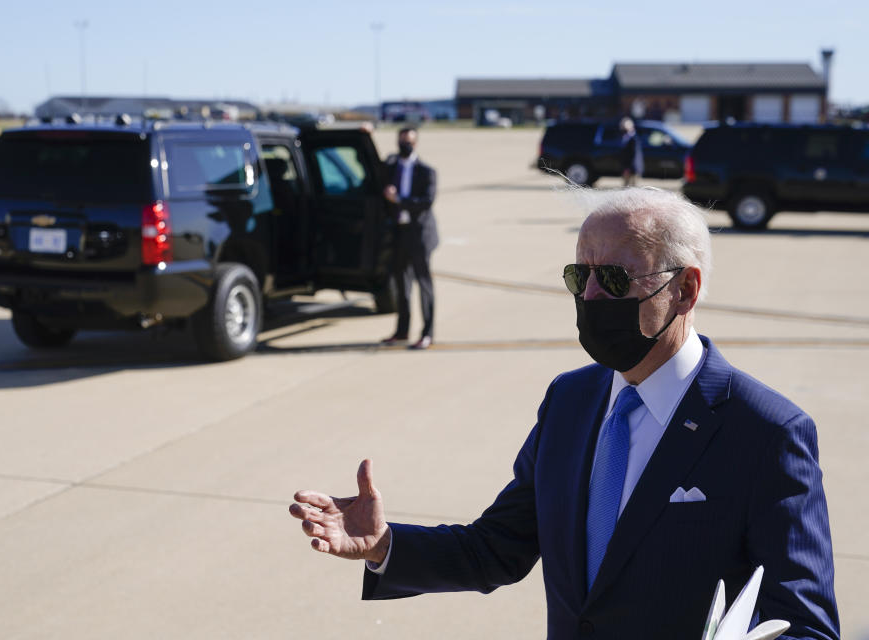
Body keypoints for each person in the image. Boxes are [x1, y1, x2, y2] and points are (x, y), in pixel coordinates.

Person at [289, 188, 840, 640]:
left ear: (685, 290)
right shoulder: (570, 401)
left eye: (617, 279)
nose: (593, 296)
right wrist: (385, 545)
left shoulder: (765, 432)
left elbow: (805, 628)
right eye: (582, 277)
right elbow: (496, 548)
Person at [380, 127, 439, 350]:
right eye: (402, 141)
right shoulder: (391, 167)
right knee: (401, 284)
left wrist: (399, 200)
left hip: (420, 235)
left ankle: (427, 333)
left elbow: (426, 202)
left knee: (424, 284)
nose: (405, 145)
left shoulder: (426, 171)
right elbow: (375, 168)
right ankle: (402, 331)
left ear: (416, 144)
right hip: (399, 233)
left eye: (409, 142)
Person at [620, 117, 643, 187]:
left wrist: (628, 168)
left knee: (633, 187)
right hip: (628, 166)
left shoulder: (633, 138)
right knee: (625, 186)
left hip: (632, 167)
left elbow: (634, 155)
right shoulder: (626, 137)